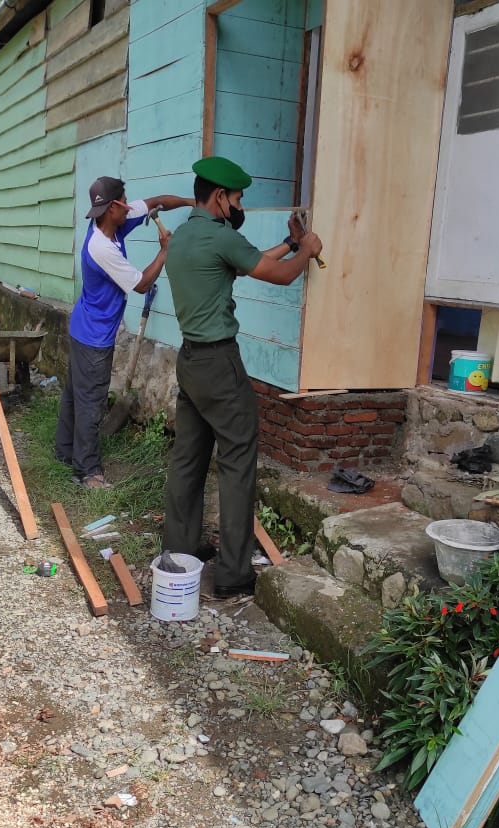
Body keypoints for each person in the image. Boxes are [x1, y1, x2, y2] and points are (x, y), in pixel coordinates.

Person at [162, 156, 322, 597]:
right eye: (236, 197)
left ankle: (180, 549)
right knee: (236, 463)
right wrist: (307, 249)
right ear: (219, 197)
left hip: (190, 361)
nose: (239, 204)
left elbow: (250, 261)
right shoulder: (219, 237)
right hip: (220, 365)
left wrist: (288, 245)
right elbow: (282, 278)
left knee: (188, 458)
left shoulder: (183, 238)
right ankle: (233, 574)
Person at [55, 177, 192, 488]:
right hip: (93, 336)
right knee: (90, 400)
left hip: (82, 324)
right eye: (125, 201)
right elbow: (142, 284)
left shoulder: (114, 222)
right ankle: (87, 472)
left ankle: (65, 451)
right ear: (113, 207)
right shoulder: (101, 247)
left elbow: (157, 200)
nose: (131, 205)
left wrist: (190, 203)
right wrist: (164, 253)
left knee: (74, 394)